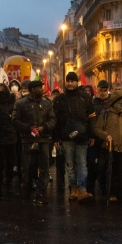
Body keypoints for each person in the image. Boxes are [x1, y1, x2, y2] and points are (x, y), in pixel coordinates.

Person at [12, 80, 57, 204]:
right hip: (27, 140)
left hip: (43, 140)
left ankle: (40, 193)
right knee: (27, 168)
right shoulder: (21, 104)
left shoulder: (47, 104)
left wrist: (44, 128)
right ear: (32, 90)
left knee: (44, 169)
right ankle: (26, 191)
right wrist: (28, 128)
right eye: (39, 88)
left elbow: (53, 119)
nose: (42, 90)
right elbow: (15, 120)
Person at [52, 72, 95, 202]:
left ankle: (82, 189)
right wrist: (56, 138)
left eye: (73, 81)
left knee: (82, 163)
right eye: (68, 81)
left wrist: (92, 135)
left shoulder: (85, 97)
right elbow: (55, 120)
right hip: (66, 138)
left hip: (82, 137)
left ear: (77, 82)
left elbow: (92, 117)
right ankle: (73, 189)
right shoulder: (59, 100)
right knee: (70, 164)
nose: (70, 83)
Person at [0, 83, 17, 198]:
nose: (0, 91)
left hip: (10, 134)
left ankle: (9, 183)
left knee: (9, 161)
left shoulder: (12, 100)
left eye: (2, 89)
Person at [87, 80, 111, 194]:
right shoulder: (92, 103)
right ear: (97, 90)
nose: (103, 93)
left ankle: (104, 187)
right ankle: (90, 188)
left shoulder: (111, 103)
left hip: (107, 138)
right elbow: (90, 121)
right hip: (94, 139)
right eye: (101, 90)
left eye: (105, 90)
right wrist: (91, 136)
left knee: (105, 165)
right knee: (92, 164)